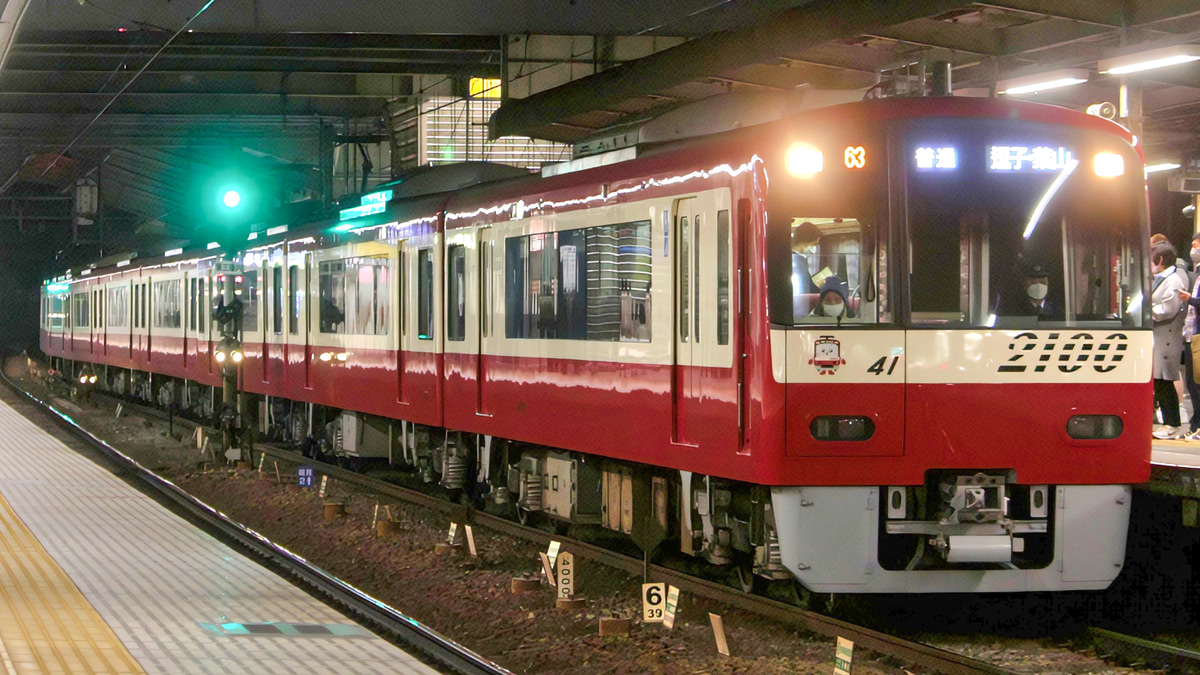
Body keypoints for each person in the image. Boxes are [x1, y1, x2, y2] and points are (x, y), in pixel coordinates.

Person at [1152, 243, 1187, 439]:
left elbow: (1168, 309)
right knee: (1159, 381)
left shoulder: (1173, 280)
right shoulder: (1161, 278)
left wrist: (1148, 313)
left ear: (1161, 260)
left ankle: (1172, 423)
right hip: (1158, 336)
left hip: (1167, 336)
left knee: (1165, 381)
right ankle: (1168, 422)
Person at [1176, 234, 1200, 439]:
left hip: (1198, 336)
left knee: (1198, 383)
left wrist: (1190, 299)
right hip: (1192, 336)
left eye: (1197, 246)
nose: (1193, 250)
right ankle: (1195, 425)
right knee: (1193, 383)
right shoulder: (1197, 272)